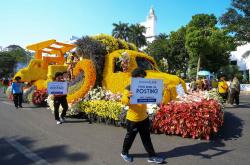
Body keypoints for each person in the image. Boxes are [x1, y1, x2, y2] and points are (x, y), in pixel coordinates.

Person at [120, 68, 164, 164]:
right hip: (133, 120)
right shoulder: (128, 88)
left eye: (143, 77)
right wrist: (128, 97)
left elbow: (153, 96)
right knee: (129, 138)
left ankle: (152, 156)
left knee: (146, 138)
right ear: (134, 78)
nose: (142, 79)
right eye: (140, 77)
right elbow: (123, 101)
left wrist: (159, 95)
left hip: (144, 118)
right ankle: (124, 153)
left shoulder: (145, 86)